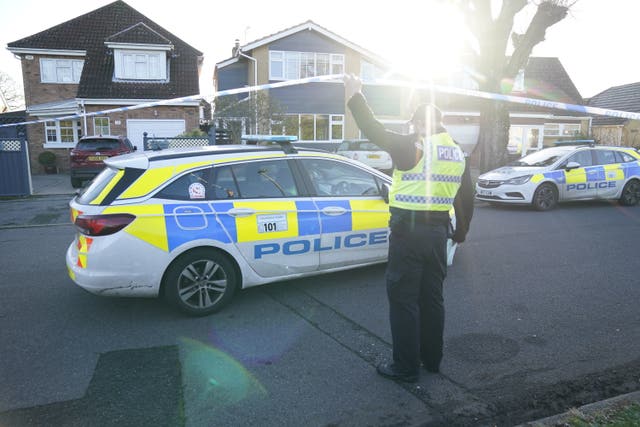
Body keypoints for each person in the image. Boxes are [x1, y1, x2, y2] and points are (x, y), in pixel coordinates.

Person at [344, 74, 474, 383]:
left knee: (403, 299)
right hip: (438, 234)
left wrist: (354, 94)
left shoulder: (410, 146)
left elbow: (371, 127)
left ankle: (405, 366)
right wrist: (461, 232)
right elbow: (466, 197)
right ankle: (432, 359)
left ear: (417, 124)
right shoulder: (456, 151)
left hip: (408, 235)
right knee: (432, 298)